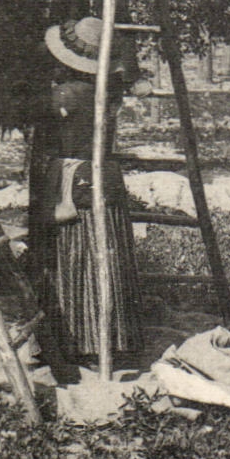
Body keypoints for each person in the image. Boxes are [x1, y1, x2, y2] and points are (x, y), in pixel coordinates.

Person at [31, 18, 149, 366]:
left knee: (73, 258)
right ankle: (113, 338)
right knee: (107, 256)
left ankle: (76, 340)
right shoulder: (108, 94)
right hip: (105, 177)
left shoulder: (65, 95)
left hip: (74, 180)